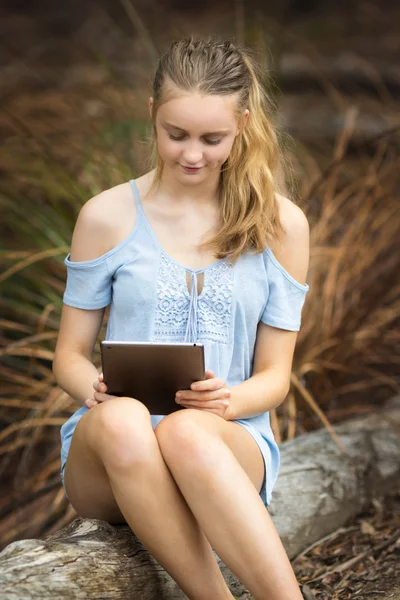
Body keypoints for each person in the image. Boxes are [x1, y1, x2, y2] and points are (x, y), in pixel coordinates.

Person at [53, 36, 310, 600]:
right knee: (126, 420)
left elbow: (275, 376)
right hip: (112, 452)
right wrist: (92, 389)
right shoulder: (106, 215)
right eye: (177, 135)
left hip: (226, 441)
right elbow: (67, 356)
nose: (192, 154)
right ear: (152, 115)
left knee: (188, 431)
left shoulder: (281, 226)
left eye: (212, 138)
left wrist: (228, 402)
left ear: (242, 125)